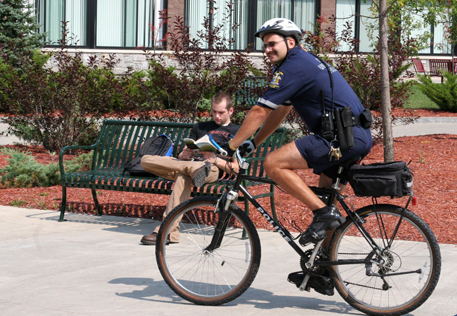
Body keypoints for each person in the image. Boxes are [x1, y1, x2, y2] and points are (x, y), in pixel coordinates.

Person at [228, 18, 373, 247]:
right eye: (265, 45)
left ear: (291, 42)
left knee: (274, 163)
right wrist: (254, 142)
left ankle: (324, 213)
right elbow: (279, 111)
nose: (267, 50)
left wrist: (232, 145)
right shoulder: (304, 61)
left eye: (272, 43)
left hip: (339, 138)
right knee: (326, 201)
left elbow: (259, 111)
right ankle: (325, 271)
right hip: (353, 137)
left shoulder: (294, 66)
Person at [140, 92, 239, 245]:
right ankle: (191, 169)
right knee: (146, 160)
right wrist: (183, 155)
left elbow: (236, 169)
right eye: (214, 112)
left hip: (210, 169)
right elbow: (184, 152)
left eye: (221, 112)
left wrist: (215, 159)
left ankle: (166, 231)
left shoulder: (237, 132)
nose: (217, 116)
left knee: (185, 175)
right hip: (189, 165)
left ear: (231, 111)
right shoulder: (200, 127)